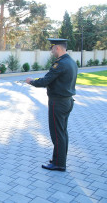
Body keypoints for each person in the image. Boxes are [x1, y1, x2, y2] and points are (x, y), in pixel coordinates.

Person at [25, 38, 78, 172]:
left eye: (52, 48)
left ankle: (59, 164)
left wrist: (31, 81)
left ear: (58, 48)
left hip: (58, 102)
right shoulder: (71, 61)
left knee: (57, 134)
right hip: (67, 101)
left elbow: (45, 81)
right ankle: (58, 159)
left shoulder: (60, 64)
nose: (51, 50)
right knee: (62, 132)